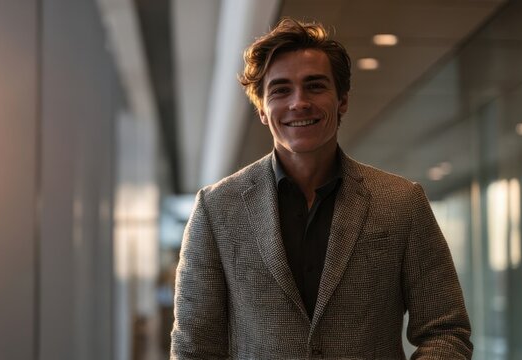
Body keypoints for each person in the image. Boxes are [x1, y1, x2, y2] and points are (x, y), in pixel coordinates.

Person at [170, 18, 472, 359]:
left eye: (315, 86)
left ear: (342, 100)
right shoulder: (217, 208)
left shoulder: (401, 202)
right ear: (262, 110)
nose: (299, 102)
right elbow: (195, 346)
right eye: (281, 90)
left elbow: (446, 331)